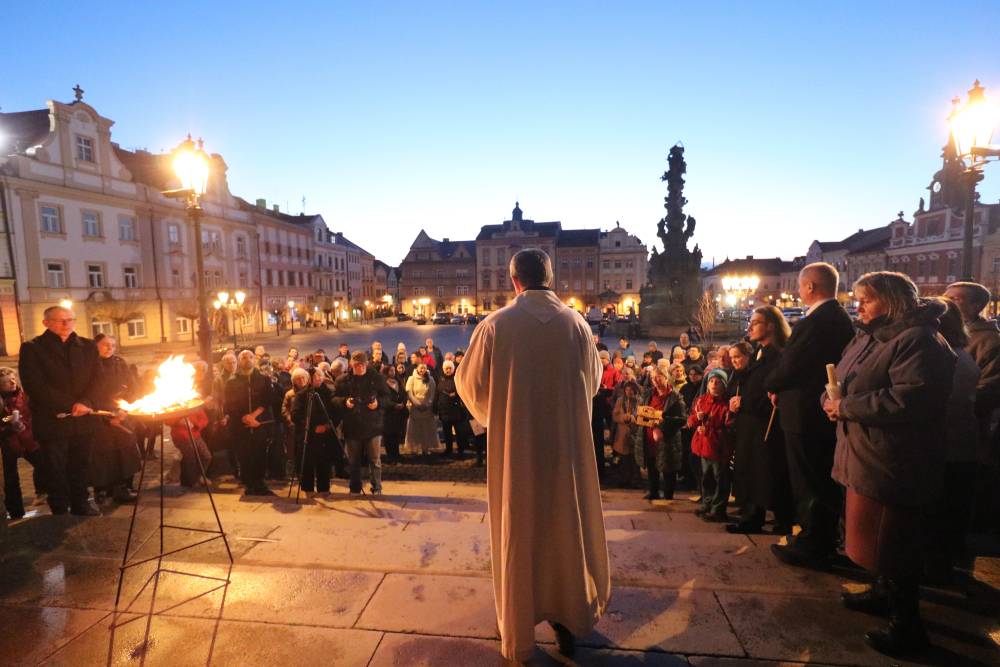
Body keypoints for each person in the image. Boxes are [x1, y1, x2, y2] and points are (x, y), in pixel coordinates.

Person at [455, 248, 610, 661]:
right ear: (551, 277)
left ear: (514, 281)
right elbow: (592, 382)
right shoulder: (577, 324)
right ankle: (567, 619)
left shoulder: (495, 325)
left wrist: (498, 414)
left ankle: (518, 622)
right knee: (564, 530)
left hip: (515, 451)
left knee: (519, 531)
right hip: (565, 451)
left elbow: (468, 385)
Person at [825, 272, 955, 657]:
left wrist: (845, 407)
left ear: (894, 301)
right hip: (864, 449)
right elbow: (842, 380)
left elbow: (911, 399)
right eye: (858, 298)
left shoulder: (919, 340)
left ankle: (907, 626)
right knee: (875, 538)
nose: (858, 305)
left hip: (893, 456)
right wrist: (830, 401)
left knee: (896, 540)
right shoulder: (868, 335)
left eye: (867, 299)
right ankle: (882, 592)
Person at [765, 262, 855, 569]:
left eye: (800, 286)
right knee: (817, 478)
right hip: (815, 410)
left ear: (810, 287)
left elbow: (791, 364)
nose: (797, 290)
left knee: (810, 480)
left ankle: (812, 543)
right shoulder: (838, 318)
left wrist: (770, 382)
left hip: (805, 413)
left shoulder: (815, 322)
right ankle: (818, 538)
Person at [18, 305, 102, 516]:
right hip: (52, 420)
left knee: (81, 463)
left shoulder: (88, 346)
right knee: (55, 467)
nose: (66, 324)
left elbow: (99, 379)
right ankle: (60, 508)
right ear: (46, 322)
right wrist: (70, 404)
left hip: (84, 418)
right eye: (60, 320)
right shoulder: (33, 348)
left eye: (70, 319)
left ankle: (81, 502)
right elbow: (34, 385)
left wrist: (86, 402)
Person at [923, 297, 979, 583]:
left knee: (940, 515)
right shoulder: (962, 354)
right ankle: (941, 566)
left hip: (946, 447)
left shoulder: (947, 357)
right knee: (950, 514)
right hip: (961, 446)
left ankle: (936, 571)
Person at [727, 307, 794, 535]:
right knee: (753, 471)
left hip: (765, 425)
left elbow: (772, 394)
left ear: (771, 326)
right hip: (750, 424)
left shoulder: (779, 356)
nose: (750, 326)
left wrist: (745, 403)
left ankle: (779, 521)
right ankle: (752, 516)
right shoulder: (760, 352)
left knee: (767, 473)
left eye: (756, 322)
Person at [943, 281, 1000, 532]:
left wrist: (955, 401)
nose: (947, 302)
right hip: (942, 430)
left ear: (976, 306)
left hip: (967, 430)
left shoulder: (988, 341)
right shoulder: (944, 333)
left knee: (958, 491)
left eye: (956, 299)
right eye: (946, 296)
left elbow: (989, 389)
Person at [90, 334, 141, 505]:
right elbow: (89, 392)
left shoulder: (120, 363)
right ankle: (102, 488)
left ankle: (123, 487)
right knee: (103, 455)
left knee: (125, 451)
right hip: (98, 417)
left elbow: (133, 388)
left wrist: (124, 409)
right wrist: (105, 414)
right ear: (95, 346)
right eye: (105, 344)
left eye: (112, 344)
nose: (109, 347)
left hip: (122, 414)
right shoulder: (89, 365)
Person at [332, 351, 391, 495]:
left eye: (362, 365)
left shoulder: (377, 378)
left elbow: (387, 398)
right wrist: (344, 402)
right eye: (357, 365)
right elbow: (333, 399)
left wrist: (377, 403)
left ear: (366, 364)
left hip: (373, 426)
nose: (360, 368)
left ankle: (376, 487)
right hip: (352, 426)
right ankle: (355, 487)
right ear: (352, 365)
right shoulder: (342, 380)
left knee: (375, 460)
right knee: (353, 461)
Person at [224, 349, 275, 497]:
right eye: (244, 357)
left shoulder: (264, 379)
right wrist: (244, 417)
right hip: (240, 426)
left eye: (250, 357)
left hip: (258, 425)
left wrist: (254, 417)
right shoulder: (232, 382)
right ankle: (249, 485)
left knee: (259, 454)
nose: (247, 359)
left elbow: (268, 399)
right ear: (239, 361)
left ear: (255, 360)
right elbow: (229, 404)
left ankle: (260, 484)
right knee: (244, 456)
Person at [688, 368, 732, 522]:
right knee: (706, 478)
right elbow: (691, 420)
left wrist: (710, 428)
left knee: (720, 478)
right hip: (703, 446)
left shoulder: (726, 404)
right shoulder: (701, 400)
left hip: (718, 447)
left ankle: (718, 509)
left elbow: (729, 426)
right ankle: (707, 504)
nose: (714, 384)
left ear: (724, 385)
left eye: (718, 382)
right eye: (711, 381)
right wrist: (696, 420)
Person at [0, 368, 44, 519]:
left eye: (13, 379)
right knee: (10, 479)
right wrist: (8, 424)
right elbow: (2, 421)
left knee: (44, 465)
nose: (12, 383)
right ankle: (16, 512)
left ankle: (43, 492)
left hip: (28, 439)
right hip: (7, 443)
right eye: (6, 382)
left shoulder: (24, 396)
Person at [642, 366, 687, 500]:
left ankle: (668, 495)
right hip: (649, 435)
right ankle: (653, 491)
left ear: (666, 378)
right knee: (651, 465)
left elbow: (682, 419)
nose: (655, 380)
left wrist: (663, 421)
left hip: (667, 437)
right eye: (652, 377)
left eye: (658, 377)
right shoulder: (649, 393)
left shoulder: (675, 396)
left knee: (668, 467)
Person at [289, 367, 334, 496]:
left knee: (324, 462)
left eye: (320, 375)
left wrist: (326, 426)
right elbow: (295, 415)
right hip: (307, 435)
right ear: (309, 379)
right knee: (307, 462)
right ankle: (308, 489)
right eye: (315, 377)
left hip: (325, 434)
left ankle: (324, 488)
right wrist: (312, 427)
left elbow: (333, 412)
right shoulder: (302, 395)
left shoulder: (328, 393)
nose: (318, 378)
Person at [436, 360, 471, 457]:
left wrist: (455, 394)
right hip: (445, 411)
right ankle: (448, 449)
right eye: (446, 369)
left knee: (459, 432)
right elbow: (438, 394)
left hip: (456, 411)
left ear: (453, 369)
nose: (448, 370)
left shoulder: (457, 379)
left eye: (449, 368)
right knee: (447, 432)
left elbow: (463, 392)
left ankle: (461, 449)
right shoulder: (441, 380)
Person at [404, 363, 437, 456]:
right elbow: (409, 393)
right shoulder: (412, 379)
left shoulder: (430, 379)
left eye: (424, 368)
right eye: (421, 368)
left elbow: (432, 394)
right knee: (416, 429)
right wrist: (417, 404)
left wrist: (427, 404)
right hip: (415, 408)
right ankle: (416, 447)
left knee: (426, 429)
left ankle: (425, 448)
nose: (422, 370)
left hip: (426, 408)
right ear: (417, 369)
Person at [382, 364, 409, 464]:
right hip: (388, 414)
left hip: (399, 414)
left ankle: (397, 454)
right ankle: (390, 457)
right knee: (389, 436)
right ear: (386, 372)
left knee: (396, 435)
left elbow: (404, 394)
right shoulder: (383, 384)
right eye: (390, 371)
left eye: (394, 370)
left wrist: (403, 403)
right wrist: (394, 405)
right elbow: (383, 399)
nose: (393, 372)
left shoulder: (398, 381)